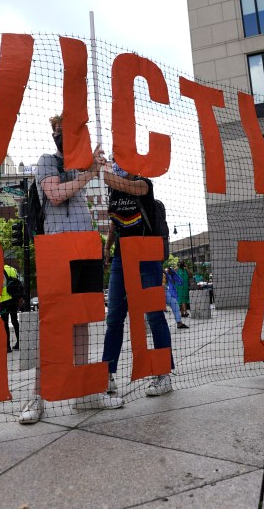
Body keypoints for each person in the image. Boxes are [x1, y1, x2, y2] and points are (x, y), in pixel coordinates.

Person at [19, 114, 123, 425]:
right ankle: (37, 396)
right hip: (57, 249)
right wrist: (89, 172)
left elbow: (105, 179)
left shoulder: (83, 163)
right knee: (53, 323)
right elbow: (55, 194)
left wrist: (101, 166)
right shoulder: (47, 161)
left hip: (85, 247)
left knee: (82, 321)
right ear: (55, 133)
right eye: (64, 130)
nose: (71, 136)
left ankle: (84, 393)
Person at [102, 162, 174, 397]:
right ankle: (107, 376)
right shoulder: (114, 191)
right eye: (116, 161)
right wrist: (108, 248)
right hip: (122, 258)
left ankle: (163, 374)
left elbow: (119, 182)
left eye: (122, 161)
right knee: (114, 317)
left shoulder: (144, 184)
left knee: (153, 315)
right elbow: (114, 224)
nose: (118, 165)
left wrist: (101, 170)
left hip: (147, 255)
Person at [0, 264, 23, 352]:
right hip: (14, 299)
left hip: (4, 301)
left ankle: (7, 346)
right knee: (15, 321)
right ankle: (19, 343)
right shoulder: (12, 269)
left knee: (5, 323)